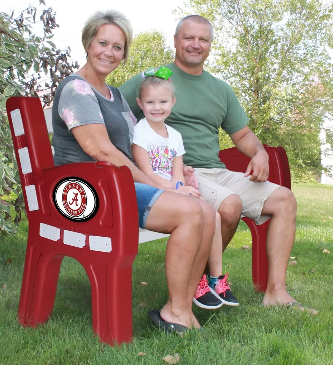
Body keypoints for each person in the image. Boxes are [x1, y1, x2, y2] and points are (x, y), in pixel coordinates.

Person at [119, 15, 318, 314]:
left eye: (203, 39)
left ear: (210, 45)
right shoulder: (154, 81)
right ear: (175, 41)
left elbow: (242, 134)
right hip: (180, 173)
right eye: (188, 37)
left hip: (218, 170)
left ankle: (276, 292)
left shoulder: (220, 89)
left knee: (284, 200)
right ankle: (201, 280)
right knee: (229, 206)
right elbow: (112, 110)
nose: (195, 45)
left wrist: (259, 153)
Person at [51, 10, 219, 332]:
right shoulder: (76, 88)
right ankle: (178, 311)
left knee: (207, 211)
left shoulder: (114, 95)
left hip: (118, 183)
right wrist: (161, 186)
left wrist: (177, 173)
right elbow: (100, 150)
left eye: (118, 47)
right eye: (103, 43)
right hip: (87, 191)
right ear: (88, 43)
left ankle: (179, 306)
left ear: (124, 54)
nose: (109, 52)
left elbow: (140, 144)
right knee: (189, 213)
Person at [131, 67, 239, 308]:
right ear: (140, 103)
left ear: (173, 102)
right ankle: (196, 281)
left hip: (173, 189)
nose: (156, 107)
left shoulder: (175, 136)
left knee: (213, 214)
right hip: (153, 190)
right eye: (150, 102)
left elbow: (177, 170)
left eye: (163, 101)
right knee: (197, 213)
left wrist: (182, 186)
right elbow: (146, 173)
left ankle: (215, 279)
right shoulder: (140, 131)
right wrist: (175, 189)